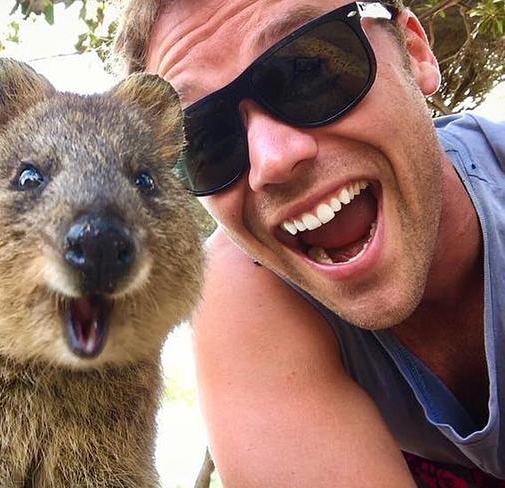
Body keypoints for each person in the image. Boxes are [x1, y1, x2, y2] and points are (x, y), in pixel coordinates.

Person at [115, 1, 505, 486]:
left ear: (415, 51)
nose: (272, 161)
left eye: (309, 71)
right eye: (207, 140)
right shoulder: (242, 286)